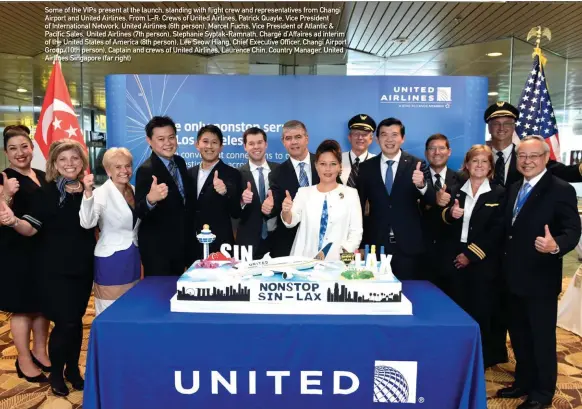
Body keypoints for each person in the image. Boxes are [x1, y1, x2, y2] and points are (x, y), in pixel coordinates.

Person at [0, 140, 96, 397]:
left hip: (84, 267)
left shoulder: (90, 190)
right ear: (54, 164)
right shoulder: (47, 192)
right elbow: (30, 227)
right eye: (63, 159)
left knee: (76, 322)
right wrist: (13, 221)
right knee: (65, 323)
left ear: (82, 162)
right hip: (55, 270)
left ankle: (73, 370)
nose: (69, 164)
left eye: (74, 159)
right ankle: (57, 374)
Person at [496, 136, 581, 409]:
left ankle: (543, 392)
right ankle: (523, 381)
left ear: (546, 158)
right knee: (519, 335)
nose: (527, 161)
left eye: (533, 156)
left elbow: (572, 229)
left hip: (540, 279)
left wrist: (556, 244)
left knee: (541, 338)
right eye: (522, 156)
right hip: (512, 277)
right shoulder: (513, 188)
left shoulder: (561, 189)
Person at [439, 145, 505, 368]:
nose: (478, 165)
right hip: (455, 258)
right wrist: (450, 213)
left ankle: (482, 359)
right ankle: (458, 354)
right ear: (466, 165)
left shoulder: (499, 193)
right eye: (474, 161)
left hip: (482, 261)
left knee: (482, 310)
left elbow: (497, 231)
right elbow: (443, 221)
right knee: (458, 309)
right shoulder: (455, 190)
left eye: (484, 162)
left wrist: (470, 255)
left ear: (490, 167)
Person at [0, 125, 50, 383]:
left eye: (24, 146)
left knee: (42, 306)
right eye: (13, 148)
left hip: (43, 251)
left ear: (32, 147)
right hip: (16, 253)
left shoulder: (42, 174)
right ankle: (23, 359)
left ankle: (41, 352)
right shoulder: (2, 177)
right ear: (6, 152)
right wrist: (7, 195)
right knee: (22, 308)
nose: (20, 152)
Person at [356, 117, 435, 280]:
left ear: (402, 138)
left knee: (409, 292)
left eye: (394, 134)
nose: (389, 139)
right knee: (375, 294)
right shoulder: (366, 168)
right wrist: (362, 243)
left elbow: (431, 201)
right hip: (376, 245)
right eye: (384, 135)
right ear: (377, 139)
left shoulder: (417, 164)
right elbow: (359, 207)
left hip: (408, 245)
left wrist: (421, 185)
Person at [79, 147, 140, 316]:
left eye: (127, 166)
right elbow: (86, 222)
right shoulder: (100, 194)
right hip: (111, 259)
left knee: (131, 306)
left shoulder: (134, 191)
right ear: (108, 170)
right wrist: (88, 192)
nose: (124, 171)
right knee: (110, 310)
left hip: (133, 256)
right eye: (118, 167)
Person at [281, 139, 362, 260]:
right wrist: (286, 211)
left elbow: (356, 232)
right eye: (323, 164)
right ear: (316, 165)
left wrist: (344, 255)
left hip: (337, 262)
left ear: (340, 166)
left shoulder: (351, 194)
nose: (328, 169)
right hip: (304, 260)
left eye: (333, 164)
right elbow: (290, 221)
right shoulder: (304, 192)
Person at [135, 116, 195, 276]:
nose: (167, 143)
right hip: (157, 249)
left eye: (171, 137)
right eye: (161, 139)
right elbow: (139, 211)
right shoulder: (146, 170)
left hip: (180, 245)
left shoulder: (180, 162)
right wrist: (150, 199)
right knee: (159, 295)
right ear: (149, 140)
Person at [486, 101, 582, 187]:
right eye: (495, 123)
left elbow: (563, 173)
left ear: (513, 127)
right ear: (489, 128)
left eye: (507, 123)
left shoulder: (528, 155)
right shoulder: (479, 156)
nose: (501, 128)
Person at [188, 125, 242, 260]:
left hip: (220, 245)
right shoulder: (188, 174)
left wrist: (225, 192)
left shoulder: (232, 174)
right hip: (192, 245)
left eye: (214, 142)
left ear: (221, 147)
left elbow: (236, 212)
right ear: (197, 144)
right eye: (205, 141)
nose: (209, 146)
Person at [268, 120, 320, 257]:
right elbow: (275, 208)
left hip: (321, 240)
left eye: (298, 137)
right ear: (283, 141)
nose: (294, 142)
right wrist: (268, 207)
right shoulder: (276, 174)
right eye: (288, 138)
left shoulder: (324, 164)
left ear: (306, 138)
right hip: (288, 245)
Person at [420, 133, 463, 283]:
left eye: (441, 148)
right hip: (421, 254)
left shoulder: (462, 179)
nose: (437, 152)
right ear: (426, 153)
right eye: (432, 148)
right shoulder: (416, 178)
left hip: (452, 257)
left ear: (449, 151)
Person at [237, 127, 280, 259]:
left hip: (277, 240)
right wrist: (242, 201)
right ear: (245, 146)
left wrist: (275, 204)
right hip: (248, 242)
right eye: (251, 143)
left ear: (266, 144)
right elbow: (232, 209)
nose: (256, 147)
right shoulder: (237, 174)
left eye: (259, 142)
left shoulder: (280, 170)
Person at [340, 114, 377, 187]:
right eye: (356, 134)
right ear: (349, 137)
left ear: (371, 138)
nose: (360, 138)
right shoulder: (338, 159)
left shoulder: (377, 162)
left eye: (364, 134)